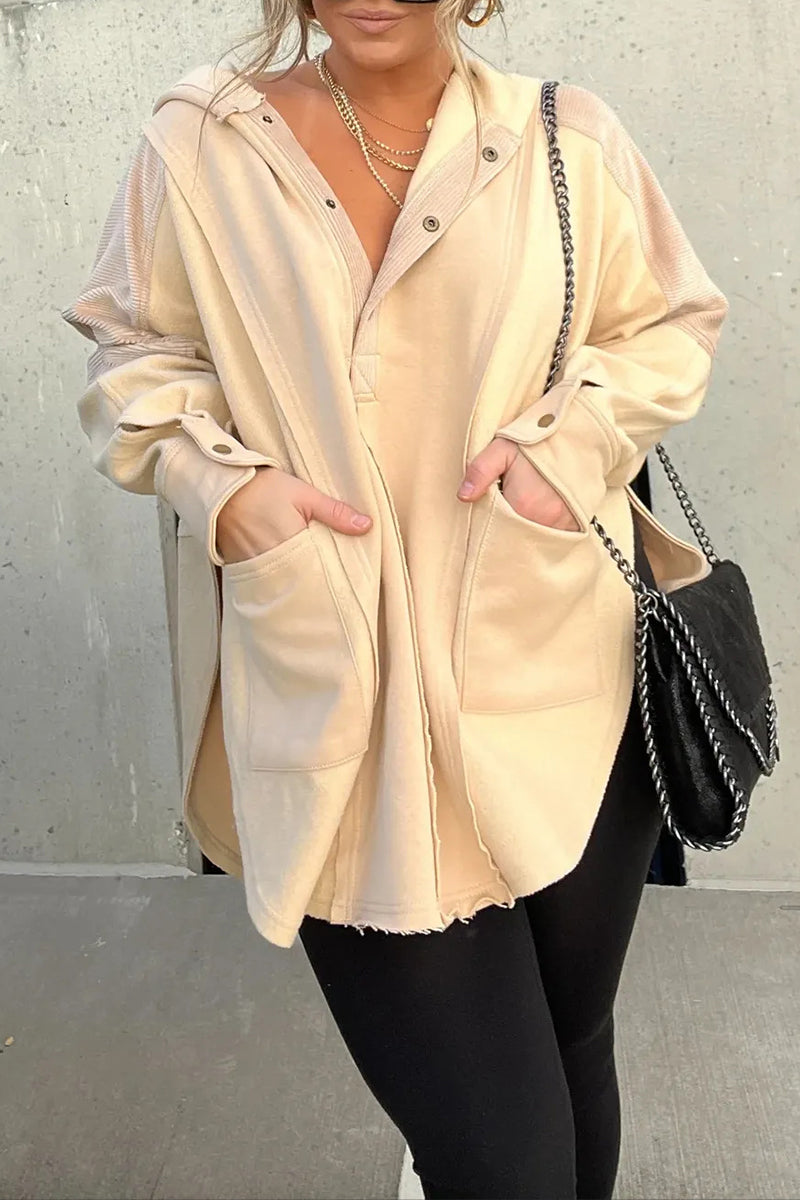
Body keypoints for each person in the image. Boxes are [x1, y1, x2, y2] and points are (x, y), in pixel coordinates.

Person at [61, 0, 729, 1193]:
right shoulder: (203, 142)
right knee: (505, 1160)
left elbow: (667, 324)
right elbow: (132, 350)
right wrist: (226, 487)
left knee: (572, 1050)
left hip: (559, 679)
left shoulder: (564, 138)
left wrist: (564, 451)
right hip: (340, 696)